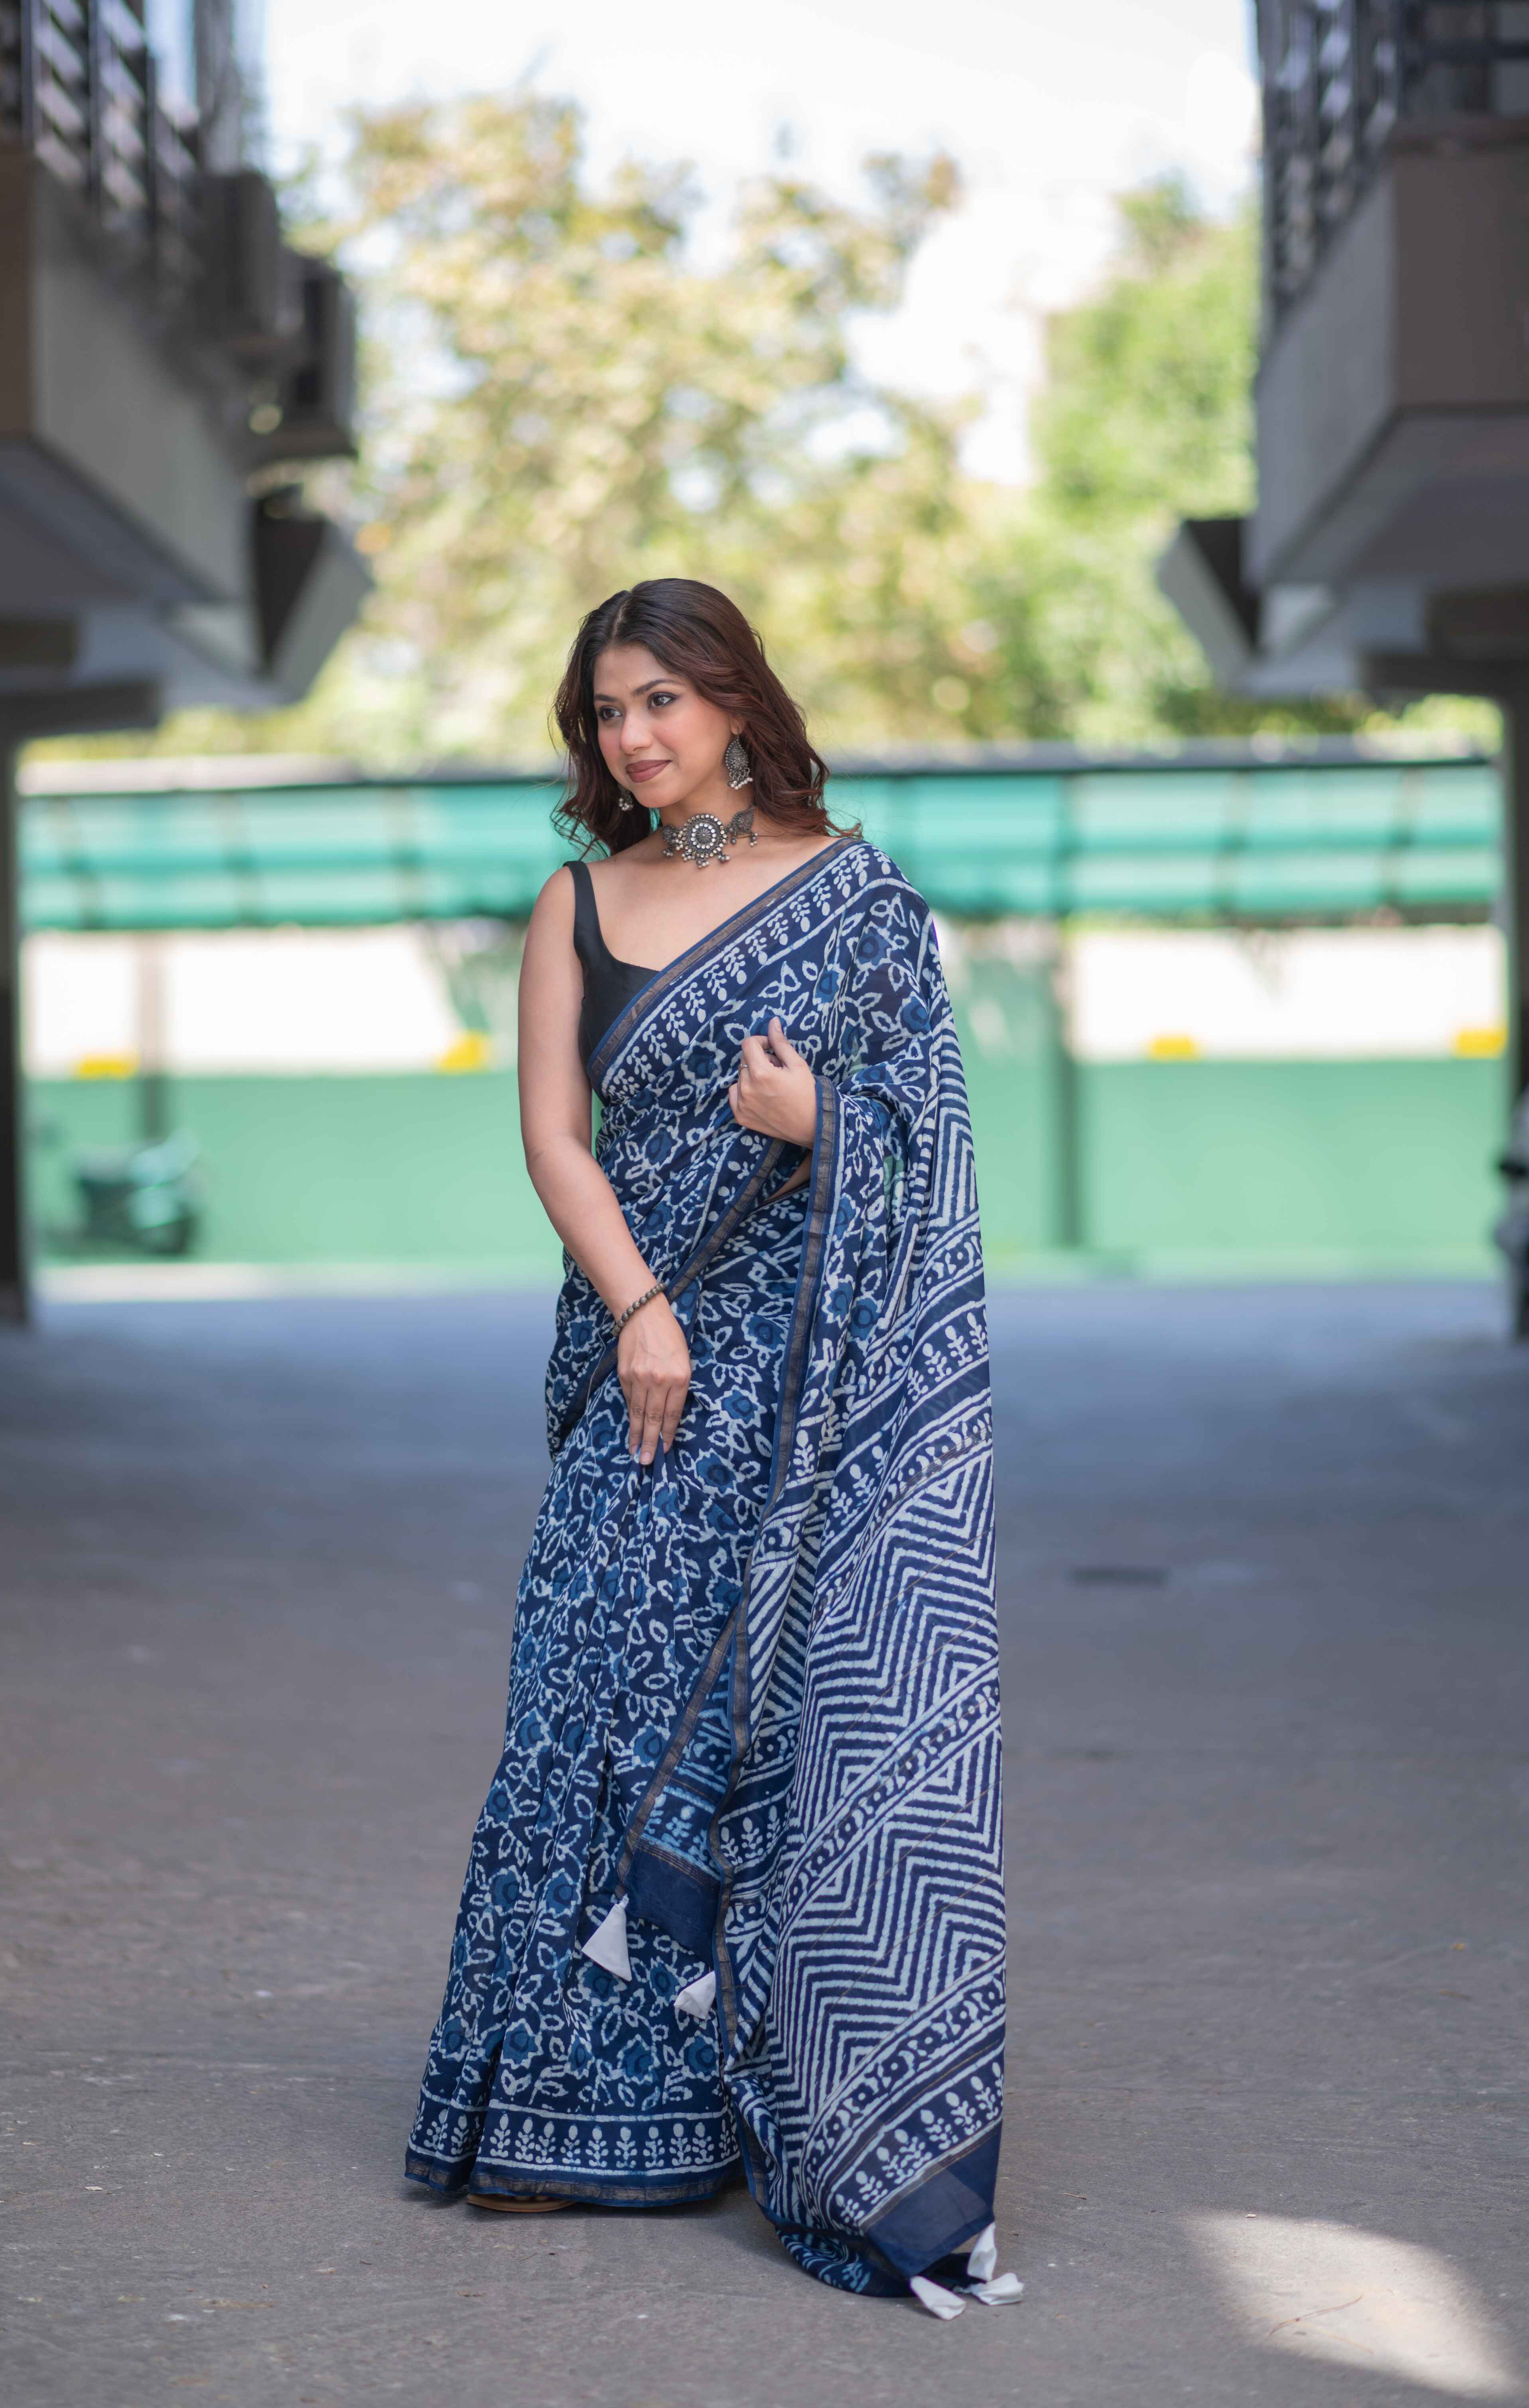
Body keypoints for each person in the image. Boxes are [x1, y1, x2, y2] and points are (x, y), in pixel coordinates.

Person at [405, 579, 1008, 2312]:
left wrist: (826, 1121)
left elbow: (935, 1140)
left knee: (774, 1726)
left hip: (813, 1384)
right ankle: (556, 2112)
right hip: (645, 1369)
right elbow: (553, 1134)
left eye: (662, 699)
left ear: (736, 700)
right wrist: (640, 1306)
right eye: (607, 712)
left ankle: (771, 2097)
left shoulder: (861, 903)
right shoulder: (579, 901)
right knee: (582, 1701)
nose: (635, 737)